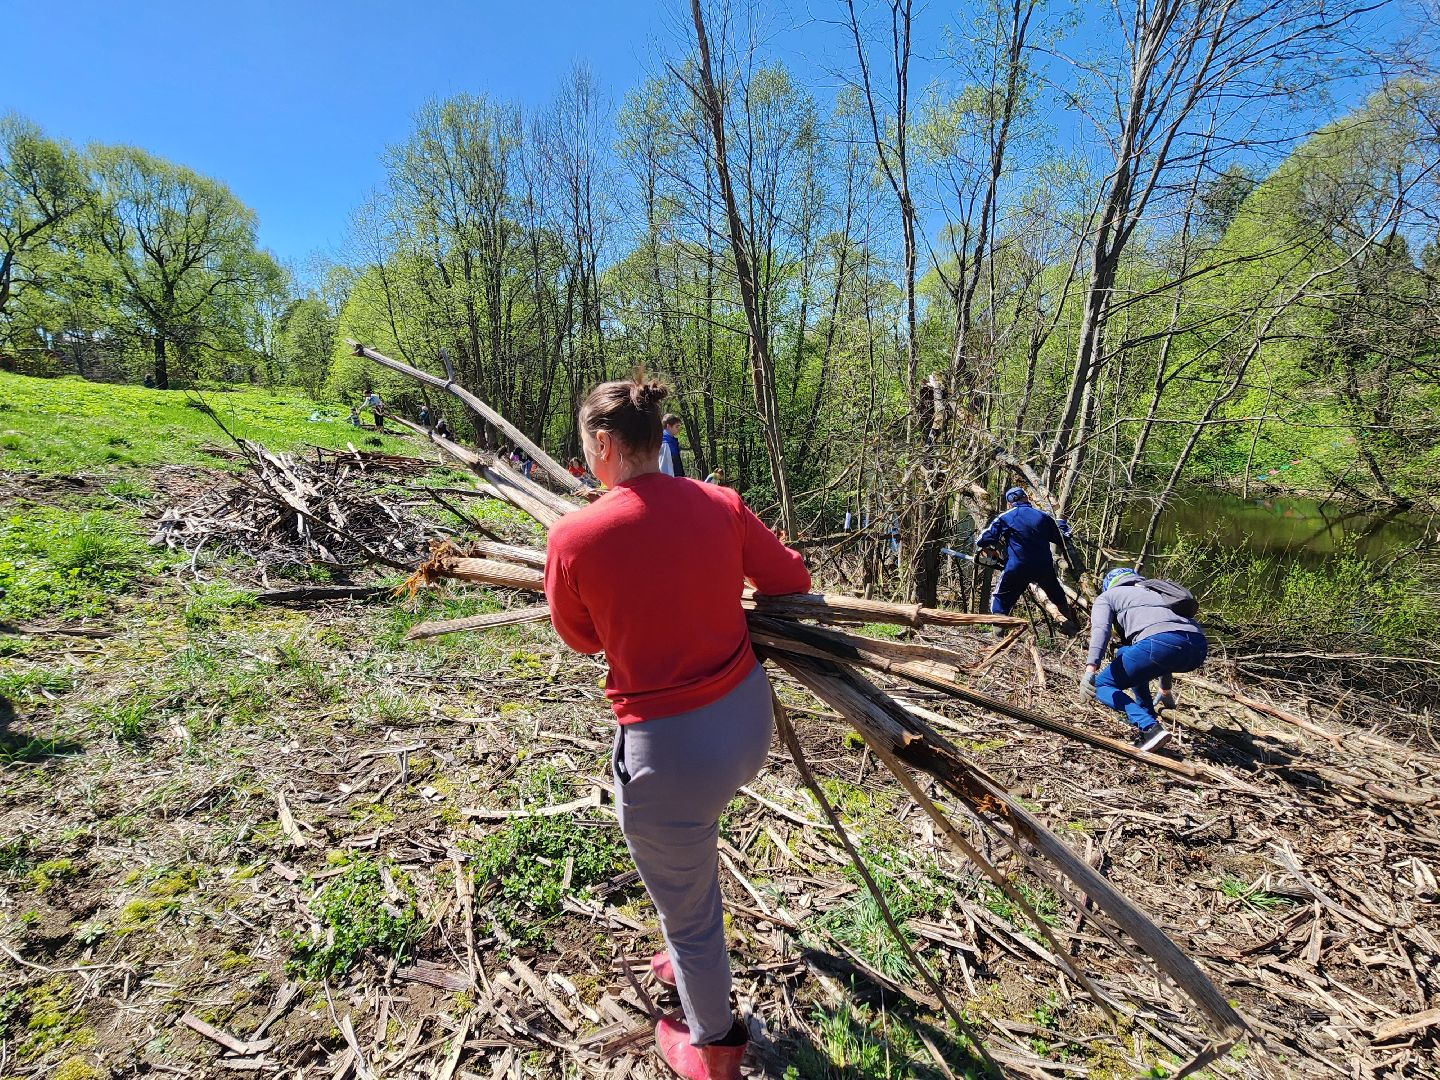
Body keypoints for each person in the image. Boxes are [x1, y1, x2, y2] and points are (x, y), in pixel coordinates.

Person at [544, 378, 810, 1080]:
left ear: (603, 446)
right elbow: (789, 578)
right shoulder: (720, 505)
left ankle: (714, 1051)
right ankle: (692, 943)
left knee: (687, 914)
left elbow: (579, 638)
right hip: (747, 728)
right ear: (659, 438)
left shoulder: (575, 536)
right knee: (691, 854)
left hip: (669, 759)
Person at [1082, 568, 1208, 752]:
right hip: (1198, 647)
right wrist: (1165, 689)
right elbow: (1170, 642)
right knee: (1125, 653)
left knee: (1101, 686)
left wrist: (1090, 669)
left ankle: (1149, 728)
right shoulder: (1156, 590)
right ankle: (1149, 716)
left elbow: (1101, 629)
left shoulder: (1108, 596)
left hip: (1159, 644)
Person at [974, 487, 1079, 633]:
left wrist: (998, 543)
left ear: (1010, 503)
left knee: (1000, 599)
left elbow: (982, 539)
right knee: (1057, 595)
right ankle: (1071, 629)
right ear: (1026, 498)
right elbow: (1062, 536)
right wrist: (1061, 523)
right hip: (1043, 567)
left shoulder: (1006, 517)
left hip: (1017, 567)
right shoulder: (1043, 516)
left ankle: (997, 635)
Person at [658, 413, 685, 478]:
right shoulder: (665, 443)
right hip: (670, 482)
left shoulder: (672, 441)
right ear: (668, 426)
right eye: (677, 426)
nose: (679, 429)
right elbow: (664, 468)